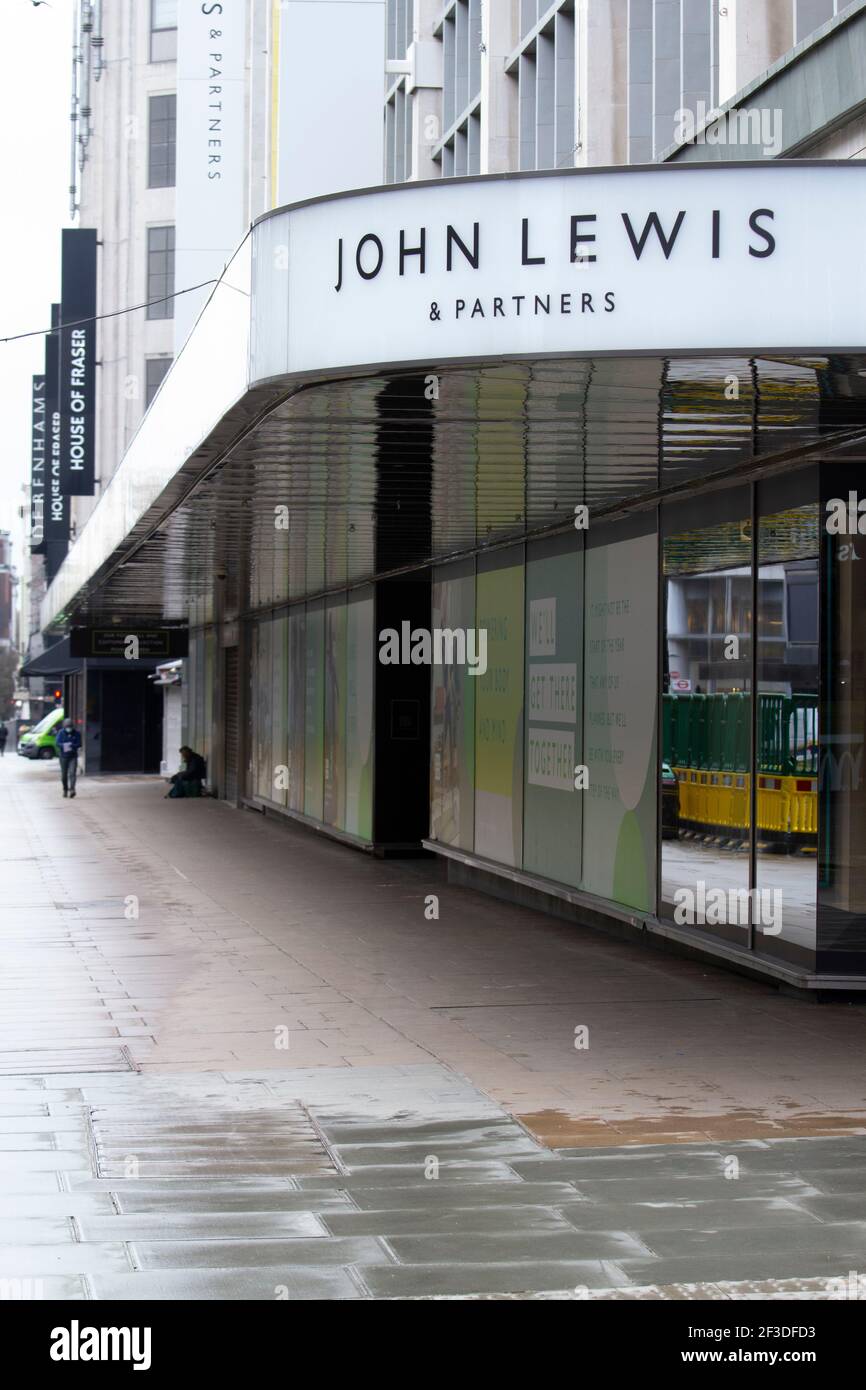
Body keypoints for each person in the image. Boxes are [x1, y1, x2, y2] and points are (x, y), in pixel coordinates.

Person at [55, 718, 82, 798]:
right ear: (64, 727)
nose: (69, 728)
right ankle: (65, 789)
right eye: (67, 727)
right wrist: (63, 745)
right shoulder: (61, 733)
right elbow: (57, 743)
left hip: (73, 756)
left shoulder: (76, 733)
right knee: (64, 775)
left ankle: (72, 789)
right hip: (63, 757)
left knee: (72, 773)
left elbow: (79, 744)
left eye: (70, 727)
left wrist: (72, 745)